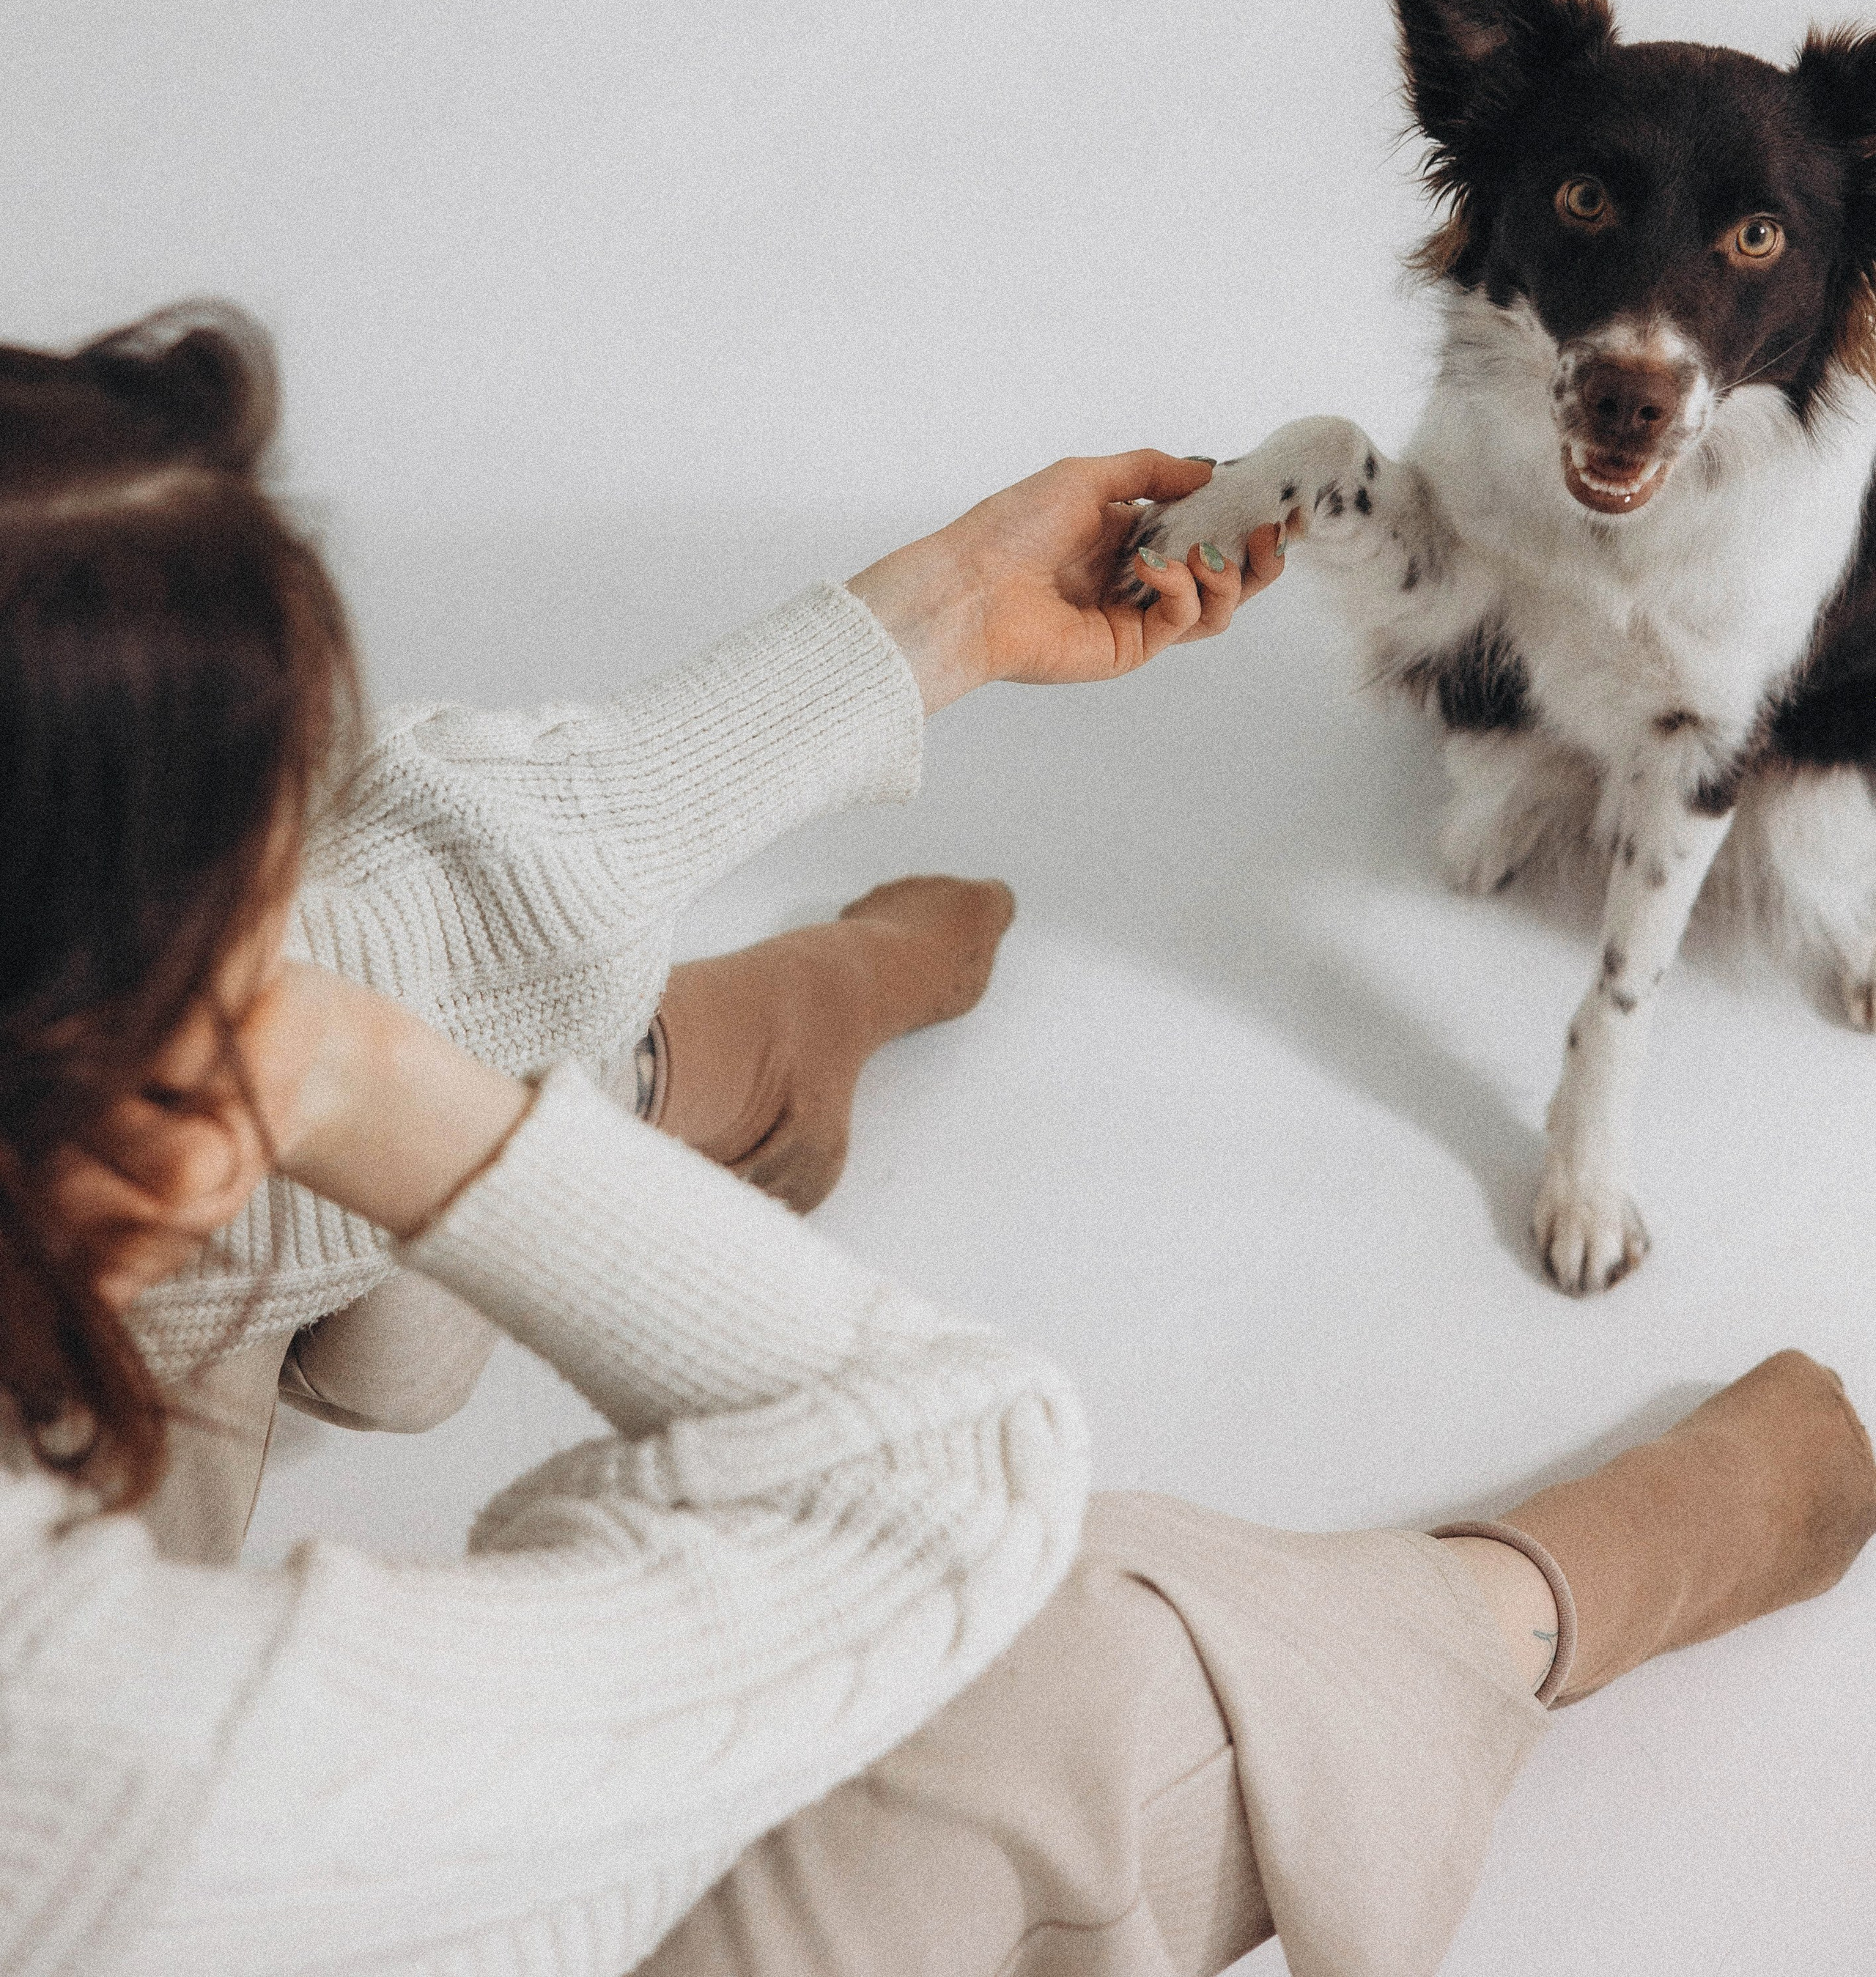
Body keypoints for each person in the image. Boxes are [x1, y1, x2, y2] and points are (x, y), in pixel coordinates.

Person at [2, 305, 1871, 1977]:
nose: (296, 944)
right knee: (1054, 1693)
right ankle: (1519, 1608)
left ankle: (733, 1040)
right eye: (249, 917)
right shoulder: (105, 1752)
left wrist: (932, 623)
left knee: (341, 1129)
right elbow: (938, 1486)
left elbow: (363, 917)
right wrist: (359, 1081)